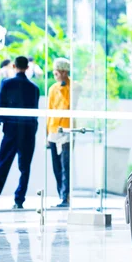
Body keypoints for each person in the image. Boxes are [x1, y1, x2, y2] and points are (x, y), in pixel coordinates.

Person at [0, 56, 40, 209]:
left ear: (14, 66)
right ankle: (19, 199)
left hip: (11, 129)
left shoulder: (6, 84)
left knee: (2, 164)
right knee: (25, 167)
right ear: (27, 68)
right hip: (28, 130)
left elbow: (1, 106)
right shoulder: (34, 88)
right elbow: (35, 112)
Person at [47, 58, 71, 208]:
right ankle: (60, 195)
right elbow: (49, 111)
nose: (55, 75)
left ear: (63, 72)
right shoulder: (52, 88)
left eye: (57, 72)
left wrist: (64, 85)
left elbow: (68, 105)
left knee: (65, 165)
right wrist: (46, 133)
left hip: (67, 131)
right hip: (53, 131)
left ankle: (65, 196)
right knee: (56, 166)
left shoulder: (72, 87)